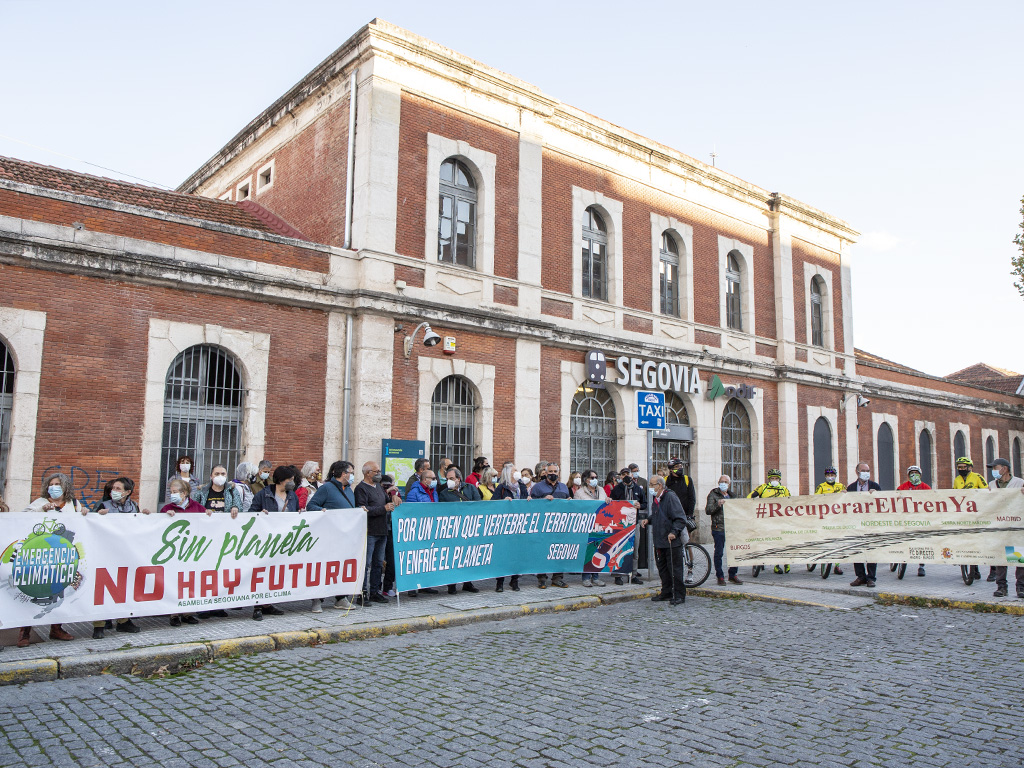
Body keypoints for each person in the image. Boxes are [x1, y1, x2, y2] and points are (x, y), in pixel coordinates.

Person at [17, 473, 85, 647]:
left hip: (62, 555)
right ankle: (25, 632)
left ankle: (56, 628)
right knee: (34, 590)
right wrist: (42, 511)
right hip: (41, 553)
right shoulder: (39, 503)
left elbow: (82, 525)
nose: (53, 487)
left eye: (57, 484)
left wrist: (85, 512)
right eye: (51, 484)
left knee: (59, 589)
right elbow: (21, 519)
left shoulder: (73, 504)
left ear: (65, 487)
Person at [307, 460, 365, 609]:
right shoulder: (326, 488)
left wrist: (359, 510)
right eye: (351, 472)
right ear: (343, 474)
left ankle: (341, 598)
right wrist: (322, 512)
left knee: (341, 567)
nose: (352, 475)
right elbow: (311, 506)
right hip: (328, 536)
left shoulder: (349, 489)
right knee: (325, 568)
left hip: (345, 537)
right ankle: (317, 600)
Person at [160, 476, 210, 627]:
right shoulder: (167, 509)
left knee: (189, 581)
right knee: (174, 581)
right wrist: (164, 517)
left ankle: (188, 612)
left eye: (175, 492)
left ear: (184, 493)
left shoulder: (196, 507)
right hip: (174, 551)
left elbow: (208, 522)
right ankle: (174, 613)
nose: (172, 494)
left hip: (192, 550)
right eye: (171, 491)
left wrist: (208, 514)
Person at [354, 461, 394, 606]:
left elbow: (387, 501)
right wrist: (383, 508)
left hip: (382, 530)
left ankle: (375, 591)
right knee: (366, 564)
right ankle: (362, 593)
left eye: (379, 471)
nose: (379, 473)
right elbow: (363, 509)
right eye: (376, 471)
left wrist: (393, 498)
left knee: (378, 564)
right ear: (367, 473)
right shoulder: (361, 489)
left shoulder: (379, 487)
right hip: (369, 531)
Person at [644, 475, 687, 605]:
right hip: (660, 540)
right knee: (663, 569)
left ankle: (679, 595)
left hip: (671, 541)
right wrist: (649, 520)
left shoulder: (670, 497)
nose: (650, 487)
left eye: (652, 485)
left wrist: (674, 532)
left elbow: (680, 518)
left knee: (675, 569)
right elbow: (660, 514)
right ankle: (666, 592)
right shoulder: (656, 498)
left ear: (660, 485)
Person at [439, 465, 482, 594]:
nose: (449, 481)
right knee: (452, 556)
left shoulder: (470, 488)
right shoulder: (444, 493)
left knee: (468, 555)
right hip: (453, 529)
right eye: (447, 479)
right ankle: (451, 585)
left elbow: (478, 505)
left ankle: (467, 583)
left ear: (458, 479)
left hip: (469, 527)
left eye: (451, 478)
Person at [530, 462, 571, 588]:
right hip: (544, 525)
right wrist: (542, 500)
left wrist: (569, 502)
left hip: (560, 525)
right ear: (545, 473)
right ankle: (542, 578)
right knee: (542, 551)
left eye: (555, 471)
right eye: (550, 471)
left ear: (558, 473)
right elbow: (530, 504)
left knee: (559, 551)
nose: (553, 474)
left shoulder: (564, 487)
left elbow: (569, 502)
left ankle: (557, 578)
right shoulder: (538, 487)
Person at [401, 468, 440, 596]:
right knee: (414, 558)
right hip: (418, 529)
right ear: (425, 480)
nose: (435, 481)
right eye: (433, 478)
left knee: (427, 557)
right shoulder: (414, 492)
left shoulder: (433, 491)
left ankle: (425, 584)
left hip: (430, 527)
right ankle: (411, 587)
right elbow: (412, 511)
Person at [988, 458, 1024, 597]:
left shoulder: (1019, 483)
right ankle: (1001, 586)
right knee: (1000, 557)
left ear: (1005, 469)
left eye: (995, 468)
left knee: (1017, 555)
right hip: (998, 525)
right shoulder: (992, 484)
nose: (993, 471)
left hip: (1015, 524)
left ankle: (1020, 586)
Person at [748, 469, 792, 574]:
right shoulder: (763, 488)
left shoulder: (784, 490)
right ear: (769, 479)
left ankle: (780, 564)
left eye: (776, 478)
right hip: (765, 520)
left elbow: (791, 502)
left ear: (779, 479)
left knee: (781, 541)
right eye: (772, 478)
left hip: (780, 520)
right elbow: (750, 496)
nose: (774, 480)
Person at [611, 466, 648, 585]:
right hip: (620, 524)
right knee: (619, 549)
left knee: (634, 550)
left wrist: (640, 506)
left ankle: (633, 574)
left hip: (634, 522)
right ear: (620, 477)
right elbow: (611, 503)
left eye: (628, 473)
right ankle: (618, 575)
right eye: (623, 474)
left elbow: (645, 503)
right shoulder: (617, 489)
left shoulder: (638, 488)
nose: (626, 476)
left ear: (632, 475)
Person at [847, 462, 882, 587]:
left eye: (868, 470)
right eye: (863, 470)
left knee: (871, 550)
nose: (866, 473)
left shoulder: (875, 486)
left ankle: (871, 577)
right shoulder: (851, 488)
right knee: (857, 549)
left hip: (871, 523)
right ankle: (860, 576)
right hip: (856, 524)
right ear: (857, 472)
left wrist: (876, 495)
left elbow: (882, 504)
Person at [493, 463, 526, 593]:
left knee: (517, 554)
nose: (517, 472)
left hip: (519, 525)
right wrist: (503, 502)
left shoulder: (521, 486)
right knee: (503, 554)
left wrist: (528, 499)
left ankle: (515, 580)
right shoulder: (501, 488)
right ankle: (500, 582)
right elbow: (493, 503)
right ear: (508, 473)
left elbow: (525, 501)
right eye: (514, 471)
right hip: (504, 527)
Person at [706, 475, 742, 586]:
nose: (723, 483)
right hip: (719, 528)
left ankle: (733, 574)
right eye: (722, 481)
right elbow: (708, 510)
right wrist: (718, 504)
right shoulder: (713, 494)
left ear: (729, 484)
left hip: (731, 528)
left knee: (735, 551)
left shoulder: (732, 496)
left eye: (726, 482)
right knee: (719, 553)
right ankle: (720, 576)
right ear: (718, 482)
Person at [896, 465, 930, 577]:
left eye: (916, 473)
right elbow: (895, 498)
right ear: (908, 475)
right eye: (911, 473)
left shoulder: (926, 487)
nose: (914, 475)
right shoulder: (903, 487)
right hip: (906, 518)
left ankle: (921, 566)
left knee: (921, 542)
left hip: (921, 519)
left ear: (920, 475)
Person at [575, 468, 607, 587]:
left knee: (598, 550)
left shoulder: (602, 490)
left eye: (595, 477)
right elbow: (577, 508)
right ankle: (586, 577)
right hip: (586, 525)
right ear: (586, 480)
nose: (594, 480)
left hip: (600, 525)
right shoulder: (580, 493)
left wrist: (608, 501)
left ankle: (596, 576)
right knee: (588, 551)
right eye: (592, 478)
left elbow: (606, 504)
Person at [813, 466, 845, 576]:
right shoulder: (821, 486)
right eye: (828, 475)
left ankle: (837, 565)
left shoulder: (841, 486)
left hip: (838, 516)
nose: (830, 477)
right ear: (825, 476)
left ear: (835, 476)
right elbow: (815, 499)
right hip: (825, 516)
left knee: (839, 540)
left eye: (832, 475)